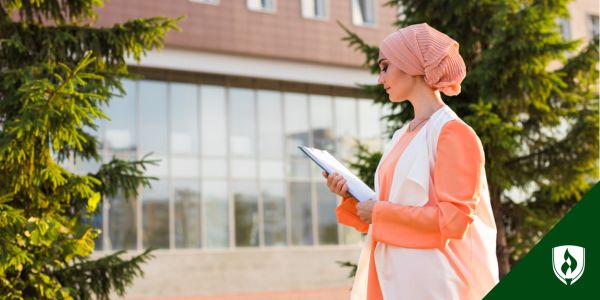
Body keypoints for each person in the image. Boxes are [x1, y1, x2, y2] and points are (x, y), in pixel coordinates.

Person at [322, 23, 499, 299]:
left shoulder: (453, 133)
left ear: (410, 63)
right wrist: (353, 198)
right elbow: (392, 206)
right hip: (394, 278)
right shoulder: (403, 135)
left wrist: (378, 212)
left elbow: (453, 220)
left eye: (385, 67)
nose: (380, 79)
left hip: (435, 285)